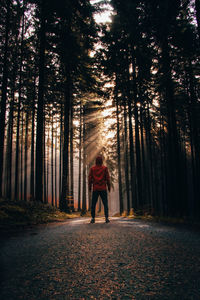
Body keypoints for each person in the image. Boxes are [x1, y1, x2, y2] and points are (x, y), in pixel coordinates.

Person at [88, 156, 111, 223]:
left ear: (96, 161)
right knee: (105, 203)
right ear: (101, 161)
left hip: (95, 189)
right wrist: (109, 187)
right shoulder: (105, 168)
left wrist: (89, 187)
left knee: (93, 204)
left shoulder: (92, 169)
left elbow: (90, 179)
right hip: (103, 188)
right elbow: (107, 178)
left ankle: (93, 218)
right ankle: (106, 218)